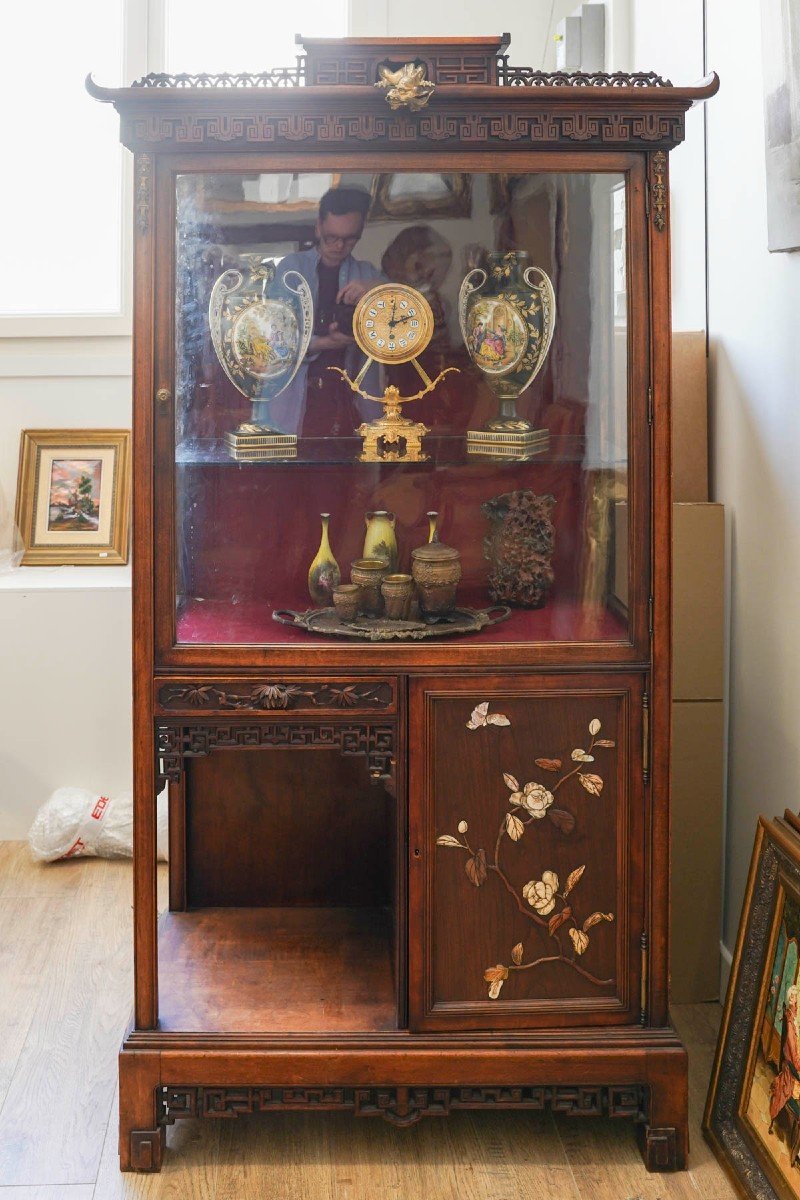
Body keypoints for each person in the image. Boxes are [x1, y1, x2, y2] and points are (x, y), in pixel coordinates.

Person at [261, 187, 385, 437]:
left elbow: (415, 307)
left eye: (351, 239)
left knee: (349, 473)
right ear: (318, 227)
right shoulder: (291, 270)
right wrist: (325, 343)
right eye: (331, 237)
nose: (340, 246)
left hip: (351, 403)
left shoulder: (367, 274)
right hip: (297, 400)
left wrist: (377, 289)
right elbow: (274, 342)